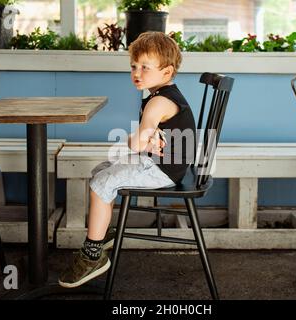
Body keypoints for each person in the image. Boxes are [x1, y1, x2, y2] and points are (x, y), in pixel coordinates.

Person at [58, 31, 196, 288]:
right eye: (134, 66)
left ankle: (92, 254)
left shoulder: (159, 103)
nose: (137, 73)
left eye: (145, 67)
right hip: (161, 162)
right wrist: (145, 137)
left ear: (166, 72)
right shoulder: (160, 95)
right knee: (101, 170)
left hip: (162, 169)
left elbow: (136, 143)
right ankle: (102, 232)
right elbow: (144, 139)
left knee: (101, 184)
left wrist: (140, 138)